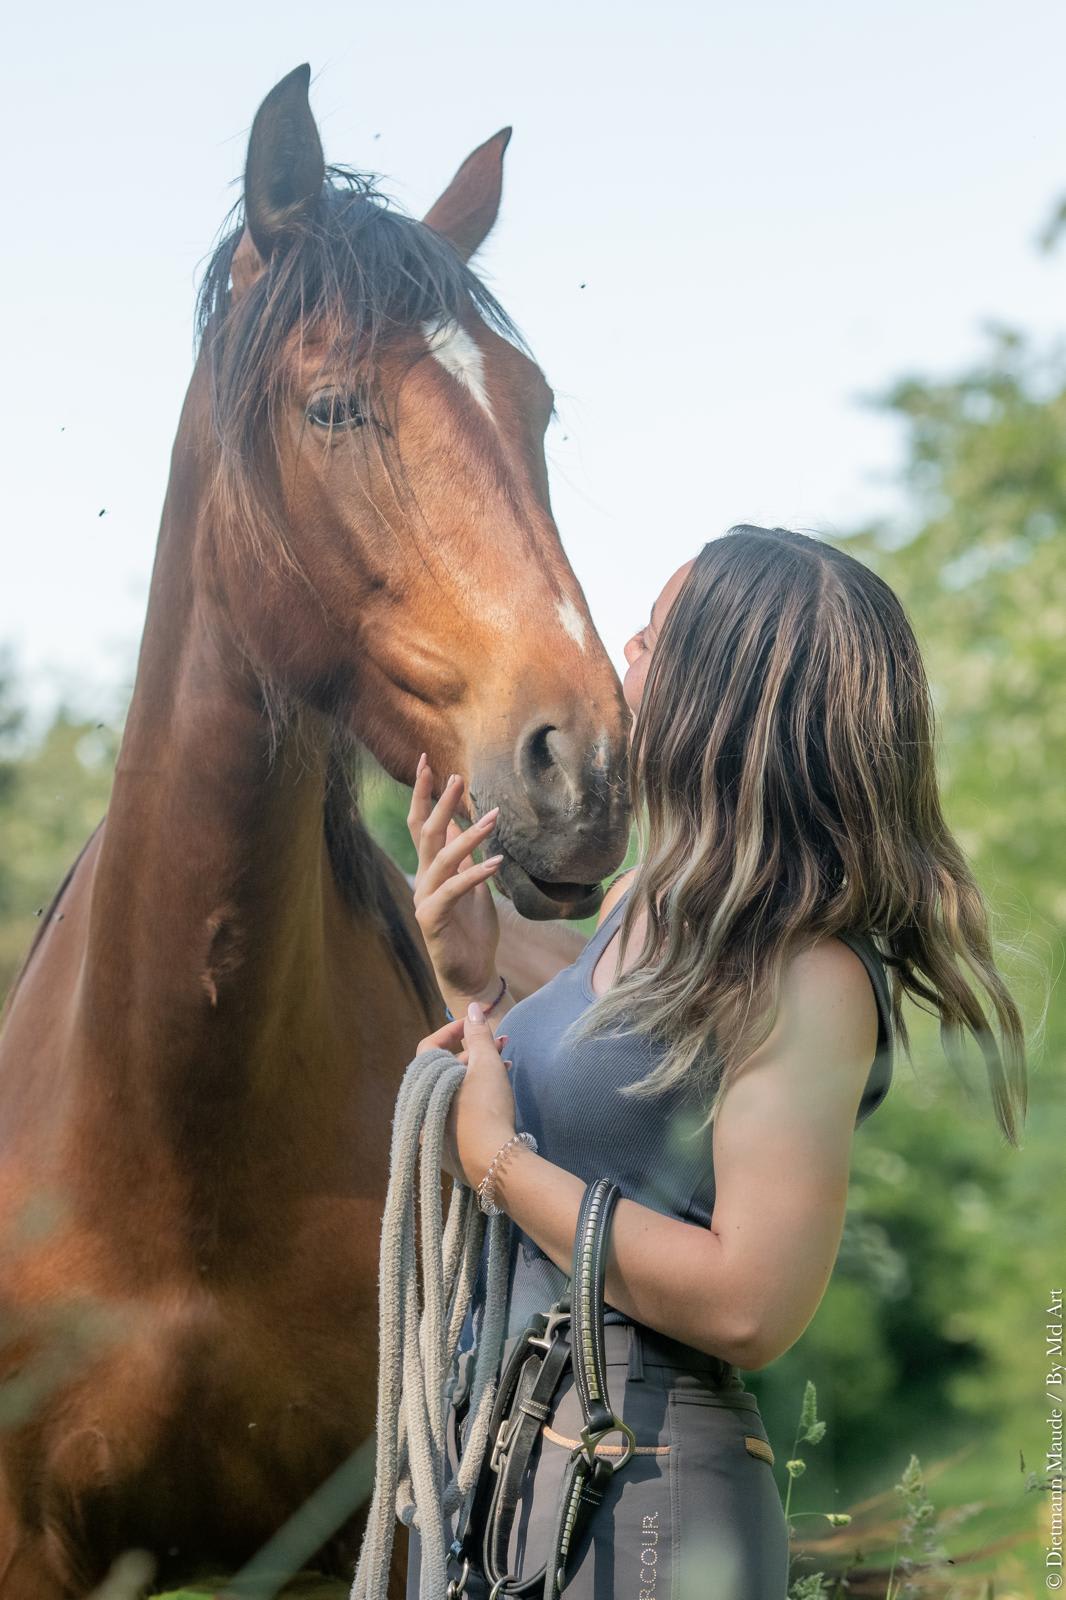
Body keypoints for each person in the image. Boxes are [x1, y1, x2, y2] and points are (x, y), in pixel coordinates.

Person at [402, 525, 1028, 1600]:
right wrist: (476, 991)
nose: (619, 667)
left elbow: (752, 1301)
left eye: (647, 640)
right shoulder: (649, 897)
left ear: (713, 694)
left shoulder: (809, 976)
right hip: (511, 1467)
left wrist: (499, 1163)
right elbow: (595, 1122)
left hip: (640, 1500)